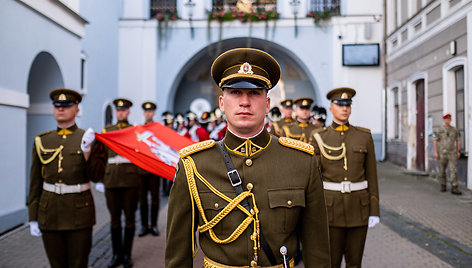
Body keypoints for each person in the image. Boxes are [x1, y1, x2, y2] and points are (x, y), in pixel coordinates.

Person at [166, 48, 330, 267]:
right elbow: (178, 253)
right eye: (235, 92)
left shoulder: (301, 161)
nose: (245, 101)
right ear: (222, 103)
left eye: (254, 93)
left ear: (268, 103)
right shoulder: (195, 164)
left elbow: (317, 249)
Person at [309, 87, 380, 268]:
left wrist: (374, 210)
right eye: (340, 105)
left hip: (359, 208)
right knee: (331, 262)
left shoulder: (364, 136)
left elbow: (372, 175)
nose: (345, 108)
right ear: (331, 108)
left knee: (355, 263)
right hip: (330, 209)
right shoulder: (319, 137)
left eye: (348, 105)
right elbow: (313, 179)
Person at [28, 88, 97, 268]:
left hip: (79, 212)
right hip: (49, 212)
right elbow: (35, 181)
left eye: (66, 106)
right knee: (56, 264)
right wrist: (33, 216)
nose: (60, 109)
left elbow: (97, 175)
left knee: (78, 263)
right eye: (57, 106)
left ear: (77, 109)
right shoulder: (42, 140)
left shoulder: (87, 138)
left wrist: (88, 151)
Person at [92, 98, 140, 268]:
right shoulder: (108, 130)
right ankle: (116, 254)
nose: (121, 112)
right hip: (111, 179)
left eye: (124, 110)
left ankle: (126, 254)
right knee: (114, 220)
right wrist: (99, 178)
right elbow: (100, 156)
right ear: (115, 112)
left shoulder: (134, 131)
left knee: (129, 219)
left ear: (128, 111)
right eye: (118, 110)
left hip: (130, 180)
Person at [137, 102, 161, 237]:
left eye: (150, 111)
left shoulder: (158, 129)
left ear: (153, 113)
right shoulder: (139, 129)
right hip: (141, 169)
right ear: (143, 113)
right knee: (142, 199)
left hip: (154, 170)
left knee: (155, 198)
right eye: (146, 111)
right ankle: (144, 225)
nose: (148, 113)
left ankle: (154, 225)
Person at [433, 113, 462, 195]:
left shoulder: (454, 130)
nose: (447, 121)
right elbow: (435, 141)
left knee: (453, 170)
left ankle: (454, 187)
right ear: (444, 120)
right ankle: (443, 185)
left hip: (452, 153)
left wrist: (458, 151)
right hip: (442, 153)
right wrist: (435, 152)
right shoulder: (439, 130)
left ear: (450, 120)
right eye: (446, 119)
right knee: (442, 170)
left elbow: (458, 140)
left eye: (449, 119)